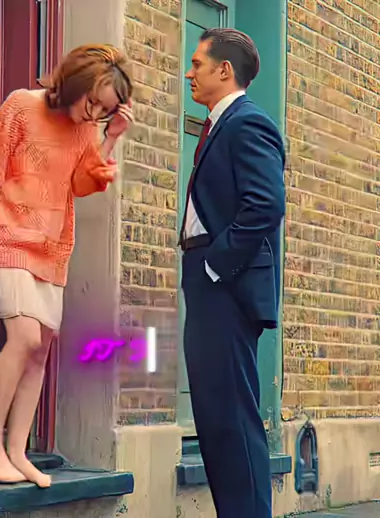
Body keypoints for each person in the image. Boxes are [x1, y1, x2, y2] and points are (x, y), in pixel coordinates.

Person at [0, 44, 133, 488]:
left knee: (40, 349)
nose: (93, 113)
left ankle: (17, 451)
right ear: (76, 82)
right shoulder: (22, 105)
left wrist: (111, 137)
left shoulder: (85, 130)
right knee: (23, 338)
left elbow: (80, 183)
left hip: (51, 247)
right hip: (7, 237)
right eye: (92, 101)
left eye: (104, 109)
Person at [179, 29, 285, 518]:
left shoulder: (246, 123)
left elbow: (265, 204)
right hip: (209, 281)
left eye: (197, 64)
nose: (189, 73)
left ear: (224, 70)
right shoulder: (221, 124)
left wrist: (215, 265)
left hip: (226, 283)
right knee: (216, 418)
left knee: (232, 419)